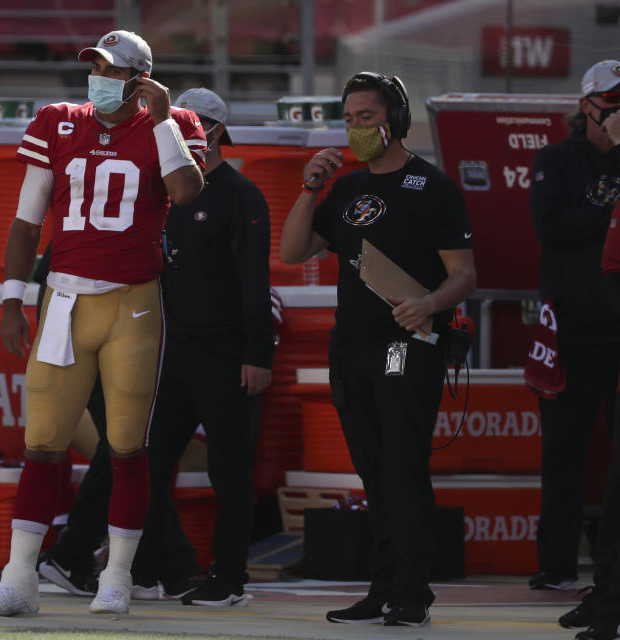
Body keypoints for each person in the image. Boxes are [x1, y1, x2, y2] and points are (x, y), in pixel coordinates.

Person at [0, 29, 205, 617]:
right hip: (64, 300)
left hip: (134, 303)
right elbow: (27, 221)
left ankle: (117, 575)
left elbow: (186, 190)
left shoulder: (173, 122)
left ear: (139, 78)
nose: (96, 77)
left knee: (127, 446)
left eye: (109, 68)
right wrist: (11, 298)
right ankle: (19, 576)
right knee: (42, 442)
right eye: (93, 66)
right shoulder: (57, 120)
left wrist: (160, 119)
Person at [280, 71, 476, 626]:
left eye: (365, 117)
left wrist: (430, 304)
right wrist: (309, 187)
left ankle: (412, 592)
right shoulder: (344, 188)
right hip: (352, 347)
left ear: (394, 120)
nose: (356, 129)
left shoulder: (431, 186)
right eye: (348, 119)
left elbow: (465, 275)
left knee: (402, 466)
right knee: (370, 470)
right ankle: (382, 586)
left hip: (406, 344)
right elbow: (293, 251)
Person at [132, 87, 274, 607]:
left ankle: (230, 577)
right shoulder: (166, 192)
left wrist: (258, 353)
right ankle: (150, 569)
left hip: (226, 351)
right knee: (148, 461)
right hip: (174, 352)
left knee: (229, 469)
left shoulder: (240, 196)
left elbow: (256, 281)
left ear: (211, 131)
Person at [528, 59, 620, 593]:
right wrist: (611, 217)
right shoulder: (556, 159)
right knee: (563, 452)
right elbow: (550, 227)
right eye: (610, 101)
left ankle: (611, 572)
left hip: (619, 331)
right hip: (572, 331)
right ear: (585, 105)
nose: (616, 112)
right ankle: (558, 565)